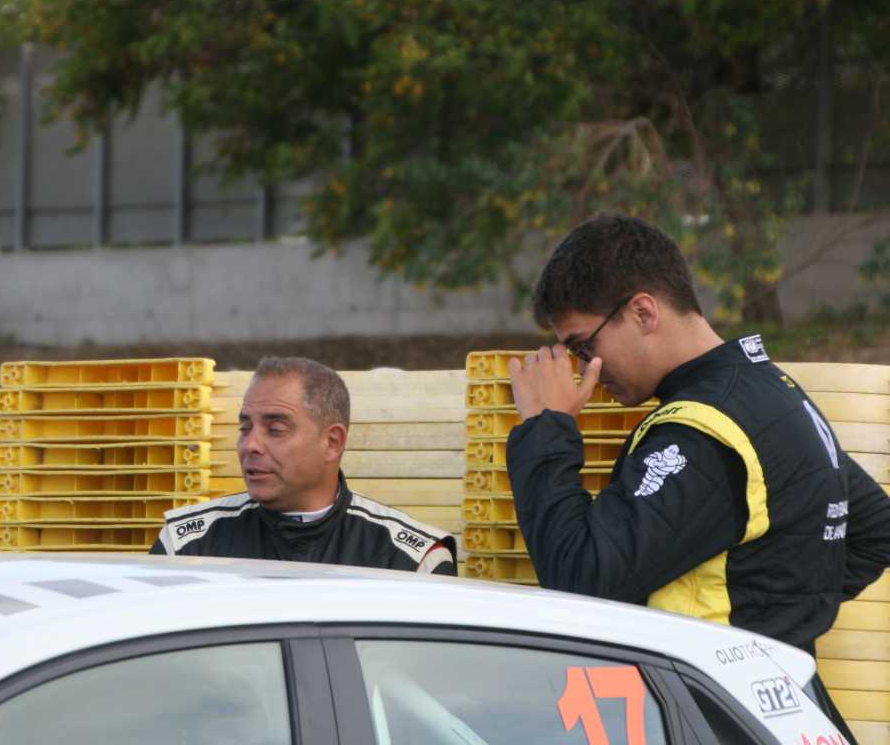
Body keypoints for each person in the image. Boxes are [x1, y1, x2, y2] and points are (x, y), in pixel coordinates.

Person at [505, 215, 890, 656]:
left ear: (644, 312)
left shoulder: (702, 430)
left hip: (704, 696)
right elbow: (875, 531)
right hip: (768, 687)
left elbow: (580, 580)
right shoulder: (772, 393)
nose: (581, 368)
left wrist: (547, 426)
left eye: (584, 347)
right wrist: (777, 618)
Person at [151, 357, 457, 574]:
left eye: (275, 429)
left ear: (332, 442)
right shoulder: (187, 545)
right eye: (245, 428)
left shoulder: (411, 560)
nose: (250, 445)